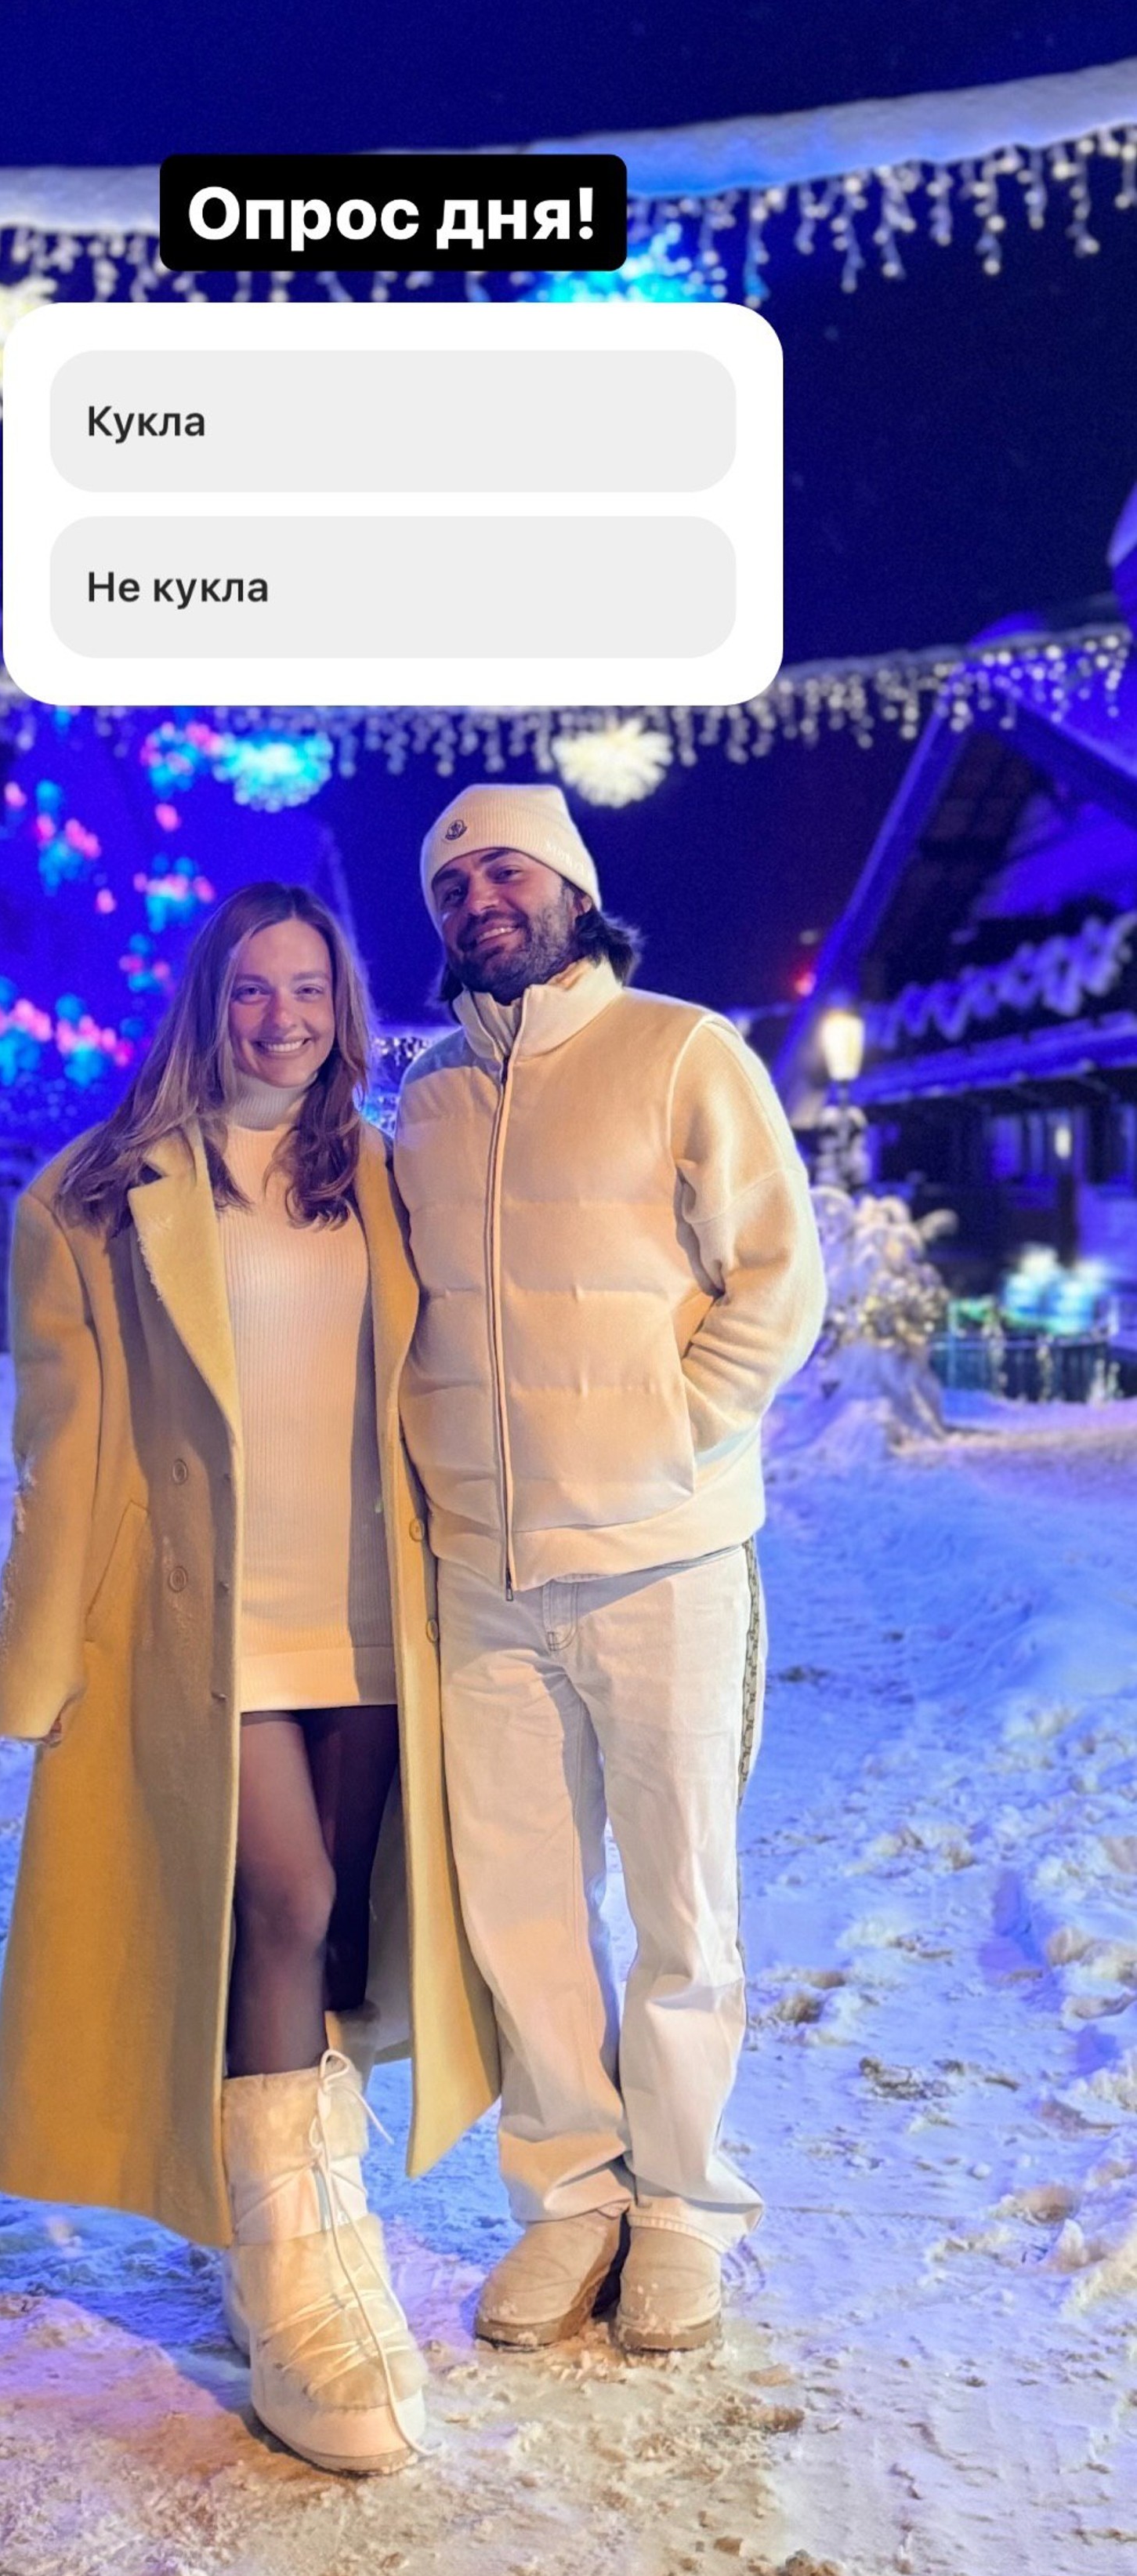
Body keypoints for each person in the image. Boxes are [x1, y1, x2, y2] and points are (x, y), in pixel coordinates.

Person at [0, 880, 496, 2476]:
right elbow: (62, 1454)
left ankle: (299, 2213)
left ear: (345, 1008)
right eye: (254, 989)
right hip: (205, 1626)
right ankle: (293, 2290)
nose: (284, 1018)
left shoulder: (383, 1175)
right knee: (278, 1895)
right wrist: (39, 1663)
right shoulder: (94, 1193)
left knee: (328, 1929)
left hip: (370, 1612)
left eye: (311, 990)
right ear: (207, 1000)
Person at [393, 785, 826, 2356]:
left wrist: (669, 1435)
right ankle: (570, 2195)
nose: (480, 901)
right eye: (452, 885)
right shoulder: (425, 1098)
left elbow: (778, 1278)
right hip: (484, 1573)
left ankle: (684, 2208)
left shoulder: (679, 1051)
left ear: (573, 890)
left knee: (678, 1899)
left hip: (663, 1556)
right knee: (518, 1908)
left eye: (508, 870)